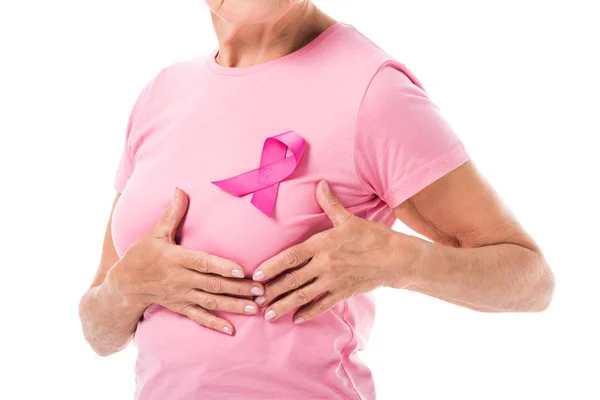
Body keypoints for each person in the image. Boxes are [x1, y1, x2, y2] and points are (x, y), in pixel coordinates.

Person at [78, 1, 555, 399]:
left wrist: (403, 261)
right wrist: (127, 287)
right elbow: (99, 331)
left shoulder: (373, 91)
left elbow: (531, 280)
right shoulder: (161, 93)